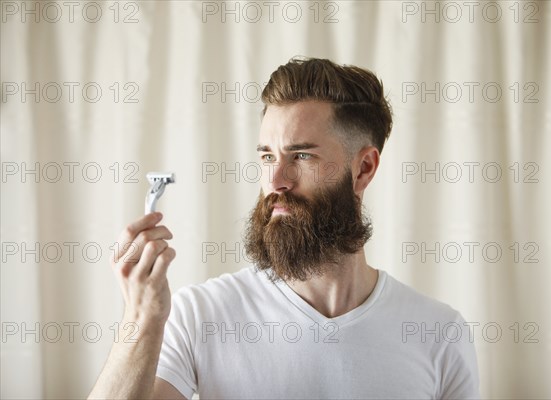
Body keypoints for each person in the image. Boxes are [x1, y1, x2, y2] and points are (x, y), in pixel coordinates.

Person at [89, 57, 479, 399]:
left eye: (302, 155)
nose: (275, 181)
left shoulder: (438, 334)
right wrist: (141, 320)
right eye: (266, 156)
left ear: (363, 168)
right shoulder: (200, 315)